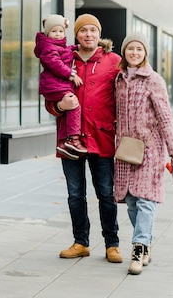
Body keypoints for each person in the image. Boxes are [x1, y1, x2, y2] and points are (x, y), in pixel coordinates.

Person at [46, 14, 123, 263]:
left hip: (101, 138)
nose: (88, 34)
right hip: (70, 139)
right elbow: (49, 95)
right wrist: (59, 105)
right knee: (75, 193)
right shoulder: (64, 59)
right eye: (83, 31)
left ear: (99, 35)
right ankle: (81, 242)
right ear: (76, 35)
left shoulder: (114, 61)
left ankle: (112, 244)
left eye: (92, 30)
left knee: (105, 193)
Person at [114, 32, 173, 275]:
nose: (134, 52)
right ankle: (146, 241)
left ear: (145, 53)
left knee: (145, 201)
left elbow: (165, 117)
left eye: (139, 49)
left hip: (151, 152)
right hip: (125, 151)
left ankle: (138, 249)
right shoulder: (119, 80)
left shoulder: (154, 80)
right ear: (124, 52)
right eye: (130, 48)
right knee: (131, 201)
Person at [34, 14, 87, 159]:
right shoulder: (48, 48)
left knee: (68, 111)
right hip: (54, 85)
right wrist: (71, 74)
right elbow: (56, 63)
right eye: (54, 31)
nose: (58, 34)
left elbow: (65, 50)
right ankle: (73, 139)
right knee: (74, 106)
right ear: (47, 33)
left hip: (57, 85)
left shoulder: (56, 46)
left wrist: (77, 47)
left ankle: (64, 142)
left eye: (61, 31)